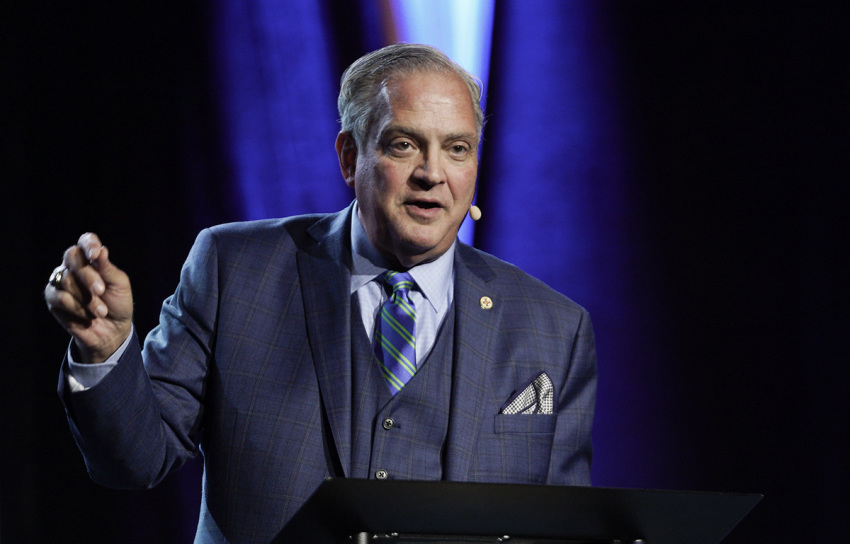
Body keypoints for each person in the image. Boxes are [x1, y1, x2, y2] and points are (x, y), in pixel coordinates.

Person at [45, 43, 597, 543]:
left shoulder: (554, 328)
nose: (432, 173)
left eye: (457, 148)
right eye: (404, 144)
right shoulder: (234, 269)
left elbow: (563, 529)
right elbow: (136, 461)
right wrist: (106, 350)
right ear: (350, 158)